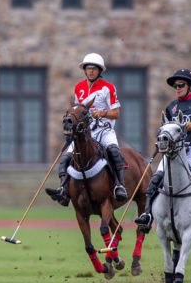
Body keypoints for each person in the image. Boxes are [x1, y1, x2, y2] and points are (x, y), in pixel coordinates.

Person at [135, 68, 191, 233]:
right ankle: (147, 215)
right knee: (156, 178)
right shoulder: (172, 107)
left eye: (181, 84)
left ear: (190, 86)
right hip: (174, 152)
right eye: (175, 85)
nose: (177, 88)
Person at [45, 53, 129, 206]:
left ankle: (119, 186)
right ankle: (63, 190)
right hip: (84, 132)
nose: (90, 71)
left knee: (114, 151)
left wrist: (102, 113)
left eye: (94, 68)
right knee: (66, 158)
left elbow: (116, 113)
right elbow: (76, 111)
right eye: (88, 68)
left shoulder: (108, 87)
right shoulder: (79, 87)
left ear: (99, 70)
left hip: (104, 129)